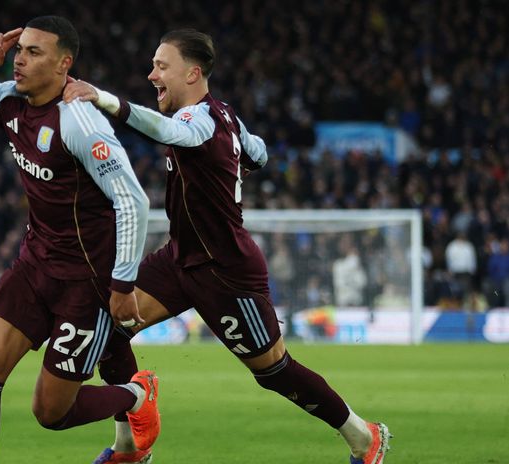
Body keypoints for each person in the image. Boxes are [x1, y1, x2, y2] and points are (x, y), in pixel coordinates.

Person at [64, 29, 391, 464]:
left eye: (162, 67)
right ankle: (130, 445)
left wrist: (107, 101)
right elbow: (259, 153)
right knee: (107, 324)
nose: (151, 74)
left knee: (273, 371)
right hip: (182, 257)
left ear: (193, 73)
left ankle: (363, 436)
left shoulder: (195, 119)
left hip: (225, 271)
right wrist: (230, 165)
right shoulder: (227, 118)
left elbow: (166, 129)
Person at [0, 16, 159, 464]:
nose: (19, 59)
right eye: (19, 49)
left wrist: (123, 285)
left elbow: (134, 201)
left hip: (84, 284)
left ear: (64, 64)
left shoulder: (80, 123)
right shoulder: (9, 101)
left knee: (51, 413)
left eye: (34, 52)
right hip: (34, 265)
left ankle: (134, 395)